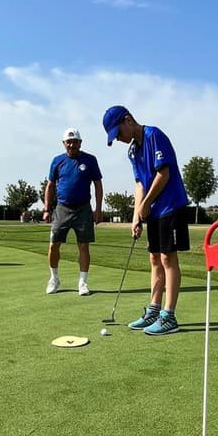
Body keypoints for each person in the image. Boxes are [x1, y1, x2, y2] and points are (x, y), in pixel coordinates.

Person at [102, 106, 189, 335]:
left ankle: (169, 316)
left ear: (128, 120)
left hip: (171, 205)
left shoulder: (154, 136)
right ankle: (154, 309)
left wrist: (146, 204)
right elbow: (140, 184)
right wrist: (136, 216)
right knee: (154, 259)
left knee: (168, 258)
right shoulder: (133, 151)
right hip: (154, 210)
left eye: (118, 132)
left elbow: (164, 174)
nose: (119, 139)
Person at [43, 127, 103, 295]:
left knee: (83, 246)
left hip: (83, 208)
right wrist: (47, 209)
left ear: (80, 143)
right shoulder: (57, 161)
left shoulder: (90, 160)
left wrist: (98, 209)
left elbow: (98, 184)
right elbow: (50, 185)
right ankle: (54, 279)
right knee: (53, 245)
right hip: (62, 208)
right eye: (69, 142)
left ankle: (82, 282)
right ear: (64, 143)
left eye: (75, 142)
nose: (72, 145)